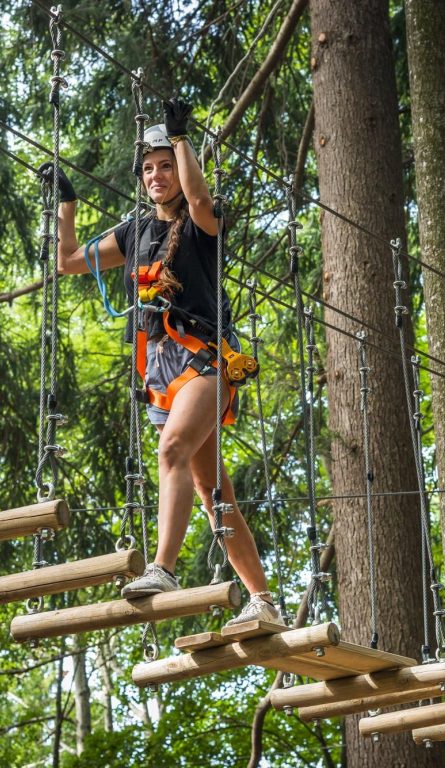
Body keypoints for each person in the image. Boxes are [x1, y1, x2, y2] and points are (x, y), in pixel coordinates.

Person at [46, 98, 284, 628]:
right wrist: (67, 202)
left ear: (179, 169)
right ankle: (264, 600)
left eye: (165, 166)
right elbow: (66, 263)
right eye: (149, 168)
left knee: (171, 447)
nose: (157, 175)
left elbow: (198, 195)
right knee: (212, 492)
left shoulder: (204, 220)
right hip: (161, 375)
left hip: (205, 362)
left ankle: (163, 567)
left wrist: (181, 138)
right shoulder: (133, 233)